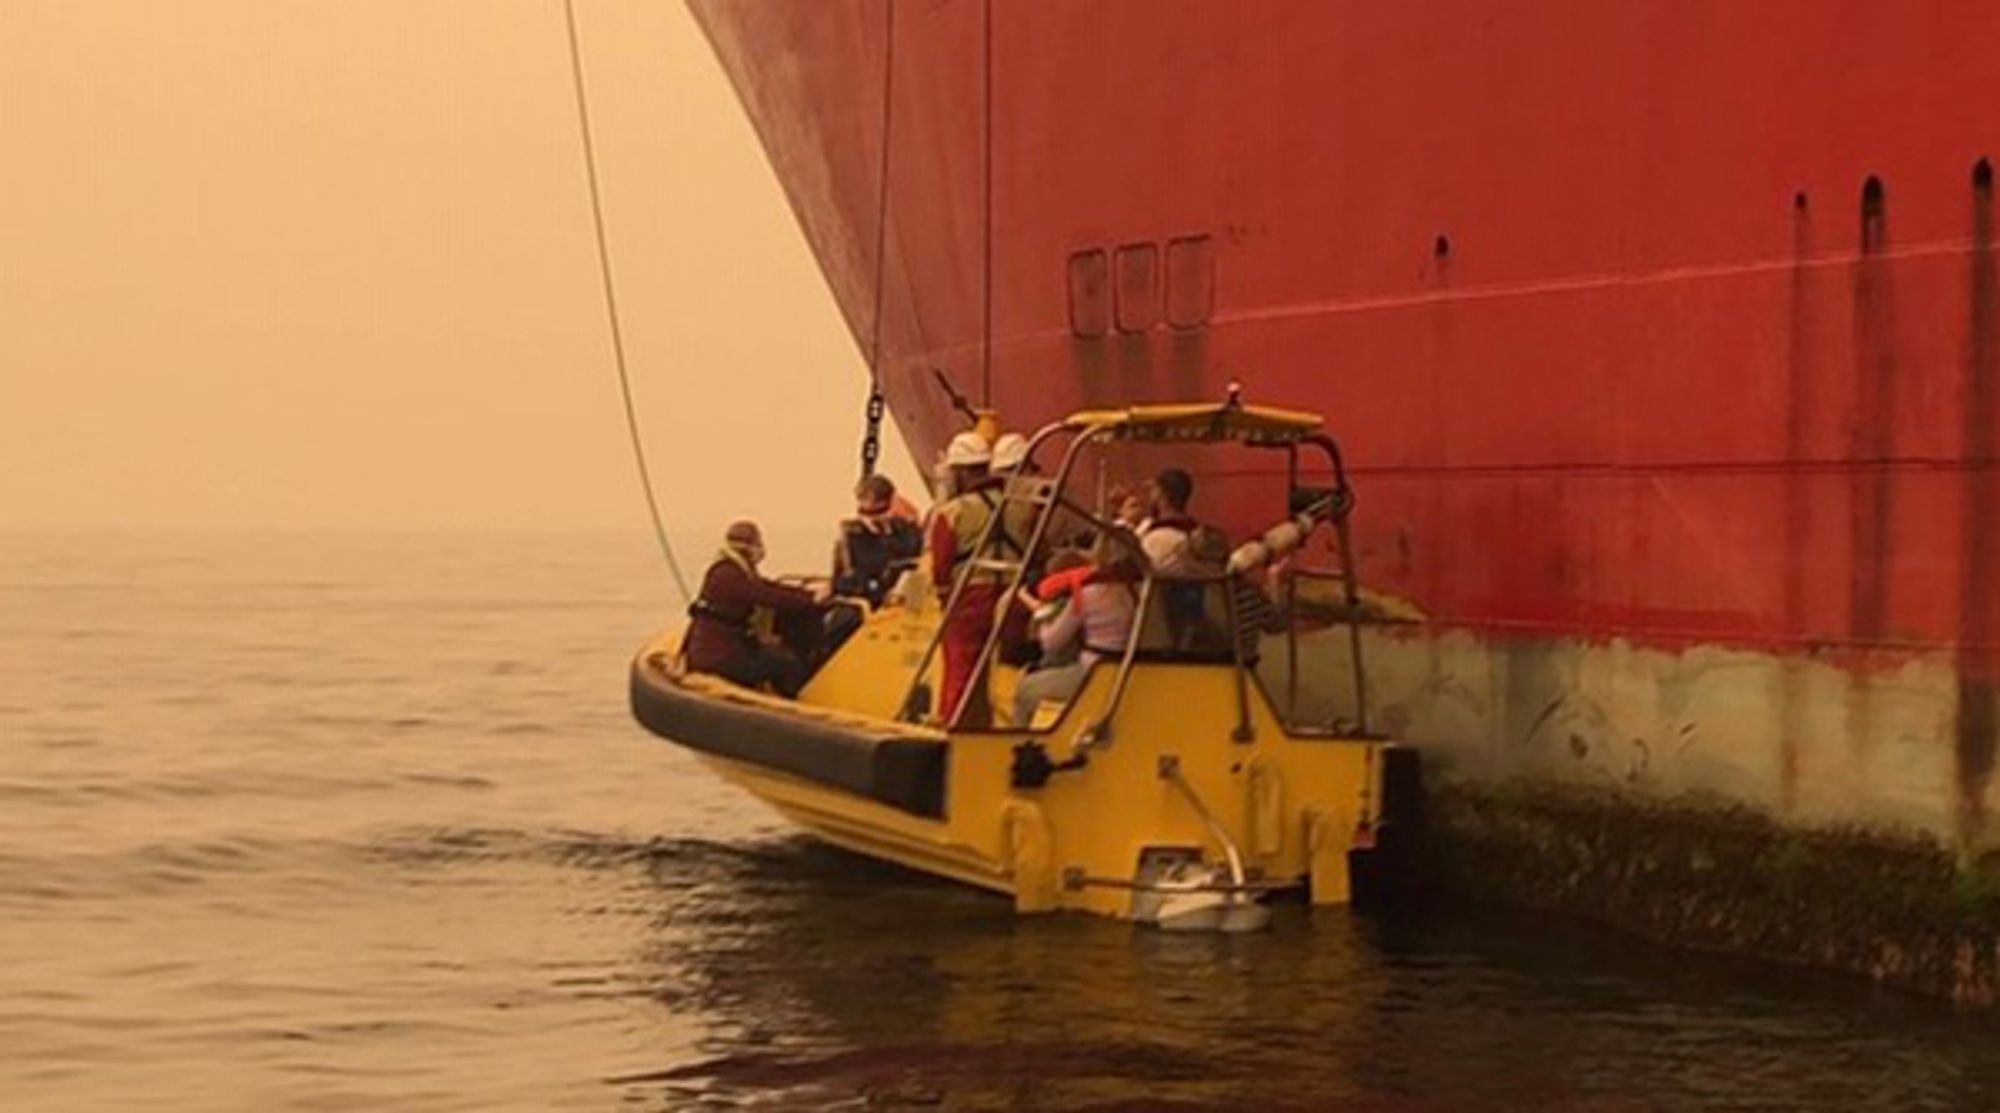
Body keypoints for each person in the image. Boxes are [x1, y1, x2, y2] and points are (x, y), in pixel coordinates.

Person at [1011, 530, 1143, 727]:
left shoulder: (1088, 595)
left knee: (1025, 690)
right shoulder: (1143, 590)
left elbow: (1051, 642)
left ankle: (1020, 744)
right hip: (1133, 674)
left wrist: (1042, 615)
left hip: (1092, 673)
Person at [683, 520, 825, 698]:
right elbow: (765, 596)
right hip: (719, 657)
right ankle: (792, 702)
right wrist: (810, 600)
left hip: (721, 649)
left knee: (776, 654)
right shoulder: (728, 577)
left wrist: (808, 595)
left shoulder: (733, 572)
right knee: (787, 663)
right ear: (750, 547)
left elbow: (769, 587)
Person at [927, 430, 1009, 725]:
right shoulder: (1021, 505)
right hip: (1014, 597)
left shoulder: (953, 512)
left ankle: (955, 725)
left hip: (971, 598)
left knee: (960, 664)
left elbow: (940, 567)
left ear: (960, 472)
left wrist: (944, 595)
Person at [832, 474, 923, 607]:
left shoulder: (905, 532)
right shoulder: (852, 535)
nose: (872, 519)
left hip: (905, 600)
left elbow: (913, 562)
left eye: (879, 510)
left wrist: (886, 535)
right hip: (868, 601)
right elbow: (844, 579)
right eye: (865, 511)